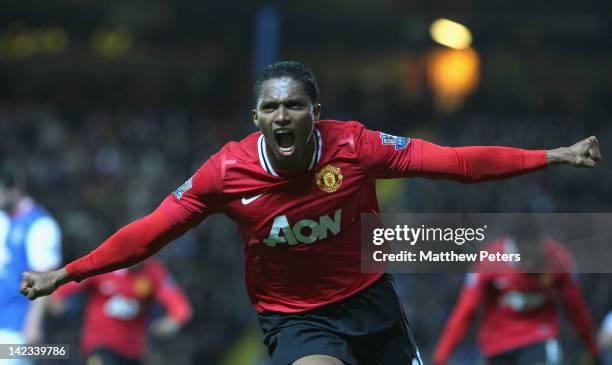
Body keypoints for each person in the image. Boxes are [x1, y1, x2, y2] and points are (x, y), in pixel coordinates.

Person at [19, 61, 601, 365]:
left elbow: (455, 162)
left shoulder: (356, 146)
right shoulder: (225, 172)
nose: (282, 115)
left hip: (370, 303)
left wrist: (551, 155)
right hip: (295, 318)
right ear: (256, 118)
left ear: (314, 111)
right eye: (270, 107)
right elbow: (148, 234)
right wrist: (66, 273)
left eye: (294, 104)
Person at [432, 225, 600, 365]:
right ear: (514, 247)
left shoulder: (558, 259)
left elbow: (576, 308)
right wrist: (440, 358)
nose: (530, 262)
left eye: (534, 255)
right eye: (524, 256)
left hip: (539, 339)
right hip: (497, 346)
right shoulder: (490, 260)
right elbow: (465, 312)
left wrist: (593, 349)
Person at [49, 258, 192, 365]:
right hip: (100, 345)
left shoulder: (153, 272)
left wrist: (172, 321)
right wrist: (56, 299)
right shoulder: (101, 263)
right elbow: (64, 286)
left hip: (134, 351)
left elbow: (179, 305)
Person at [0, 163, 62, 364]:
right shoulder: (3, 219)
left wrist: (33, 326)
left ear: (14, 189)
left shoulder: (41, 225)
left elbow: (45, 278)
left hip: (16, 330)